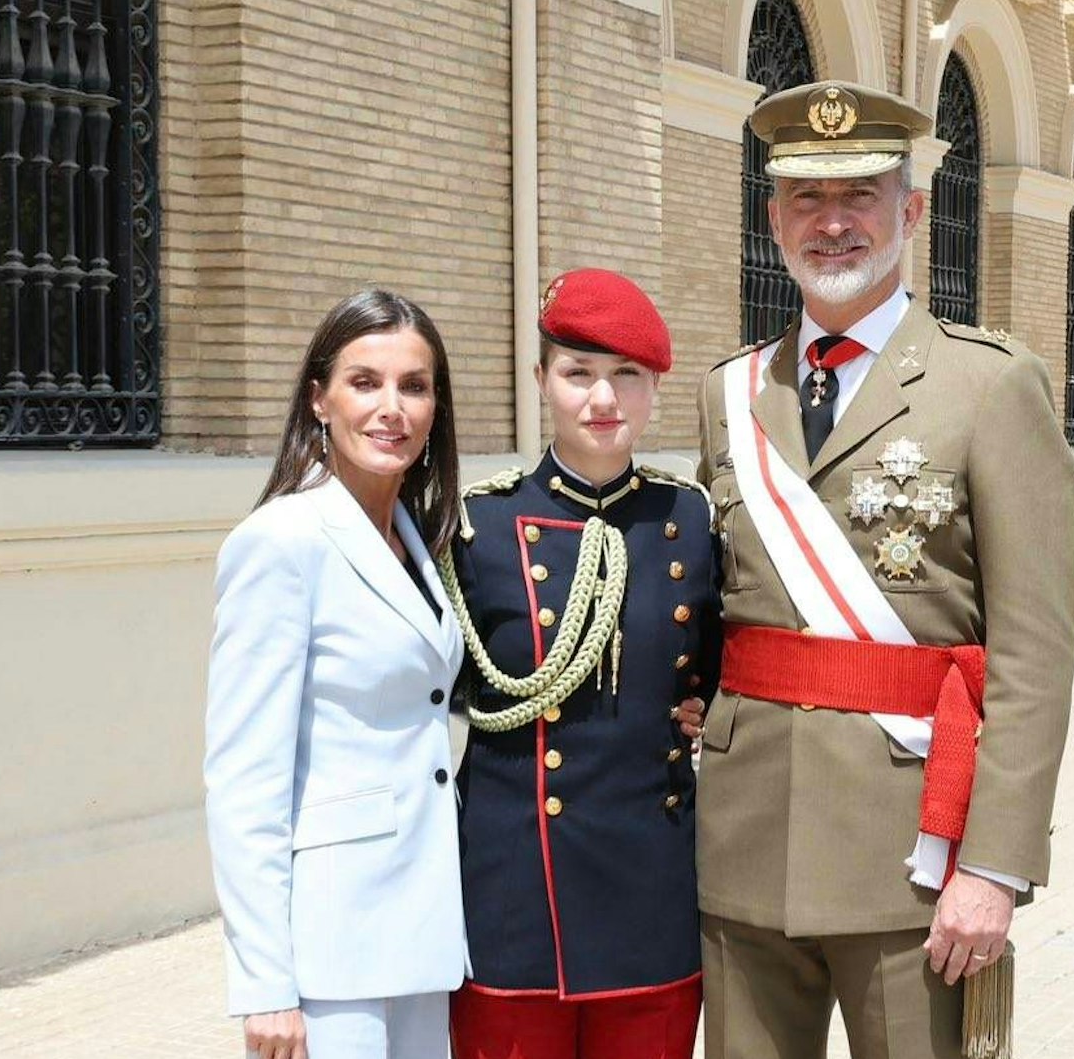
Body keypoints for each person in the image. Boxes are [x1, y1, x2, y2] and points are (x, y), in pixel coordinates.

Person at [693, 80, 1074, 1058]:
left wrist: (992, 867)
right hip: (743, 848)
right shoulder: (730, 393)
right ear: (773, 217)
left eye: (858, 196)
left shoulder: (987, 386)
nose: (832, 224)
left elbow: (1034, 656)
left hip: (914, 859)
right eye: (806, 201)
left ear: (908, 213)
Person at [442, 269, 718, 1059]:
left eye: (627, 376)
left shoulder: (689, 519)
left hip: (652, 892)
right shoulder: (475, 525)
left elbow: (721, 670)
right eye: (578, 374)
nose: (604, 399)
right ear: (541, 381)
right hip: (513, 896)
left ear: (654, 386)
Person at [204, 289, 469, 1059]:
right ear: (319, 398)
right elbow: (244, 777)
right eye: (365, 382)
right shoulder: (281, 541)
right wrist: (264, 983)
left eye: (414, 386)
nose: (392, 407)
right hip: (328, 949)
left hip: (421, 932)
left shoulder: (418, 539)